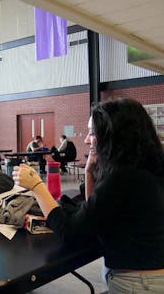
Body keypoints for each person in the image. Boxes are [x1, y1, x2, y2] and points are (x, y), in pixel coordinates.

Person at [13, 98, 164, 293]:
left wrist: (37, 186)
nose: (86, 140)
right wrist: (89, 172)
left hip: (138, 284)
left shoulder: (123, 178)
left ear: (115, 135)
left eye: (92, 133)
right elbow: (95, 214)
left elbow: (72, 233)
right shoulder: (144, 169)